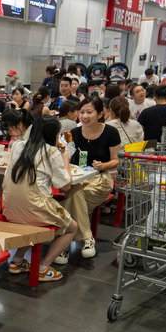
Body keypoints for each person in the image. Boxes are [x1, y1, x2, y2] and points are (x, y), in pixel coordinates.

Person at [3, 115, 77, 276]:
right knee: (72, 228)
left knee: (30, 221)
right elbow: (65, 185)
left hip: (9, 208)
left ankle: (17, 261)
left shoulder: (17, 145)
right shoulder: (51, 152)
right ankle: (42, 268)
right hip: (34, 210)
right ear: (54, 134)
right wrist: (64, 155)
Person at [62, 97, 120, 260]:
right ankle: (87, 238)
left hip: (100, 179)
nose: (85, 116)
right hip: (77, 179)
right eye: (82, 112)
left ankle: (63, 245)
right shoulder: (74, 133)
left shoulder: (110, 132)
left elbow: (116, 160)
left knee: (69, 200)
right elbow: (67, 158)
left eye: (89, 112)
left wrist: (103, 165)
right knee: (75, 192)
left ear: (100, 113)